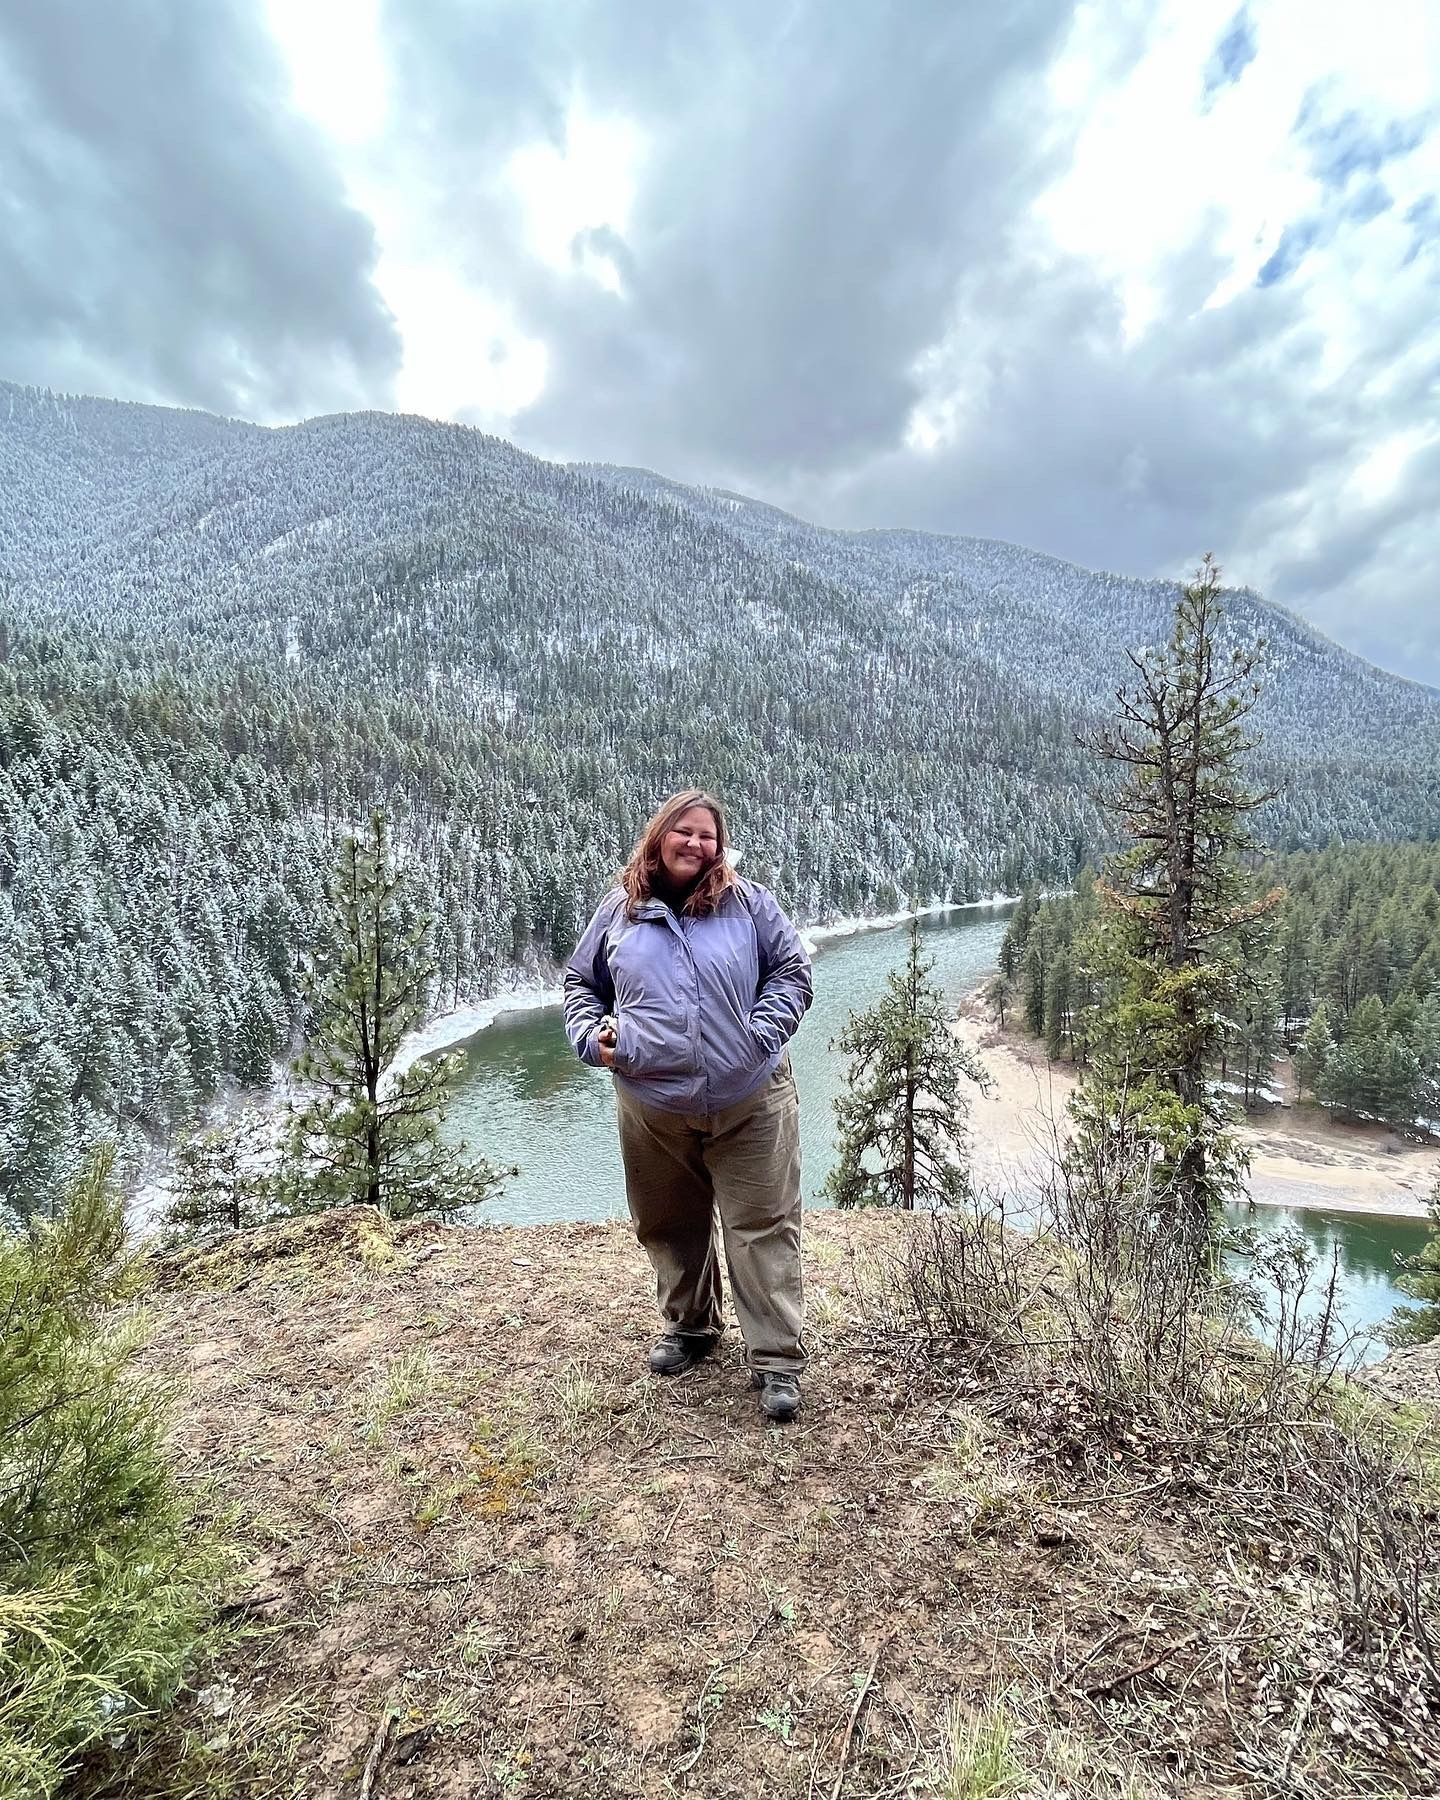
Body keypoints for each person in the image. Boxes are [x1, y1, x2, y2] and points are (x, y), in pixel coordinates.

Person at [563, 790, 814, 1422]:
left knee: (761, 1225)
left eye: (708, 835)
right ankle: (692, 1326)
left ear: (719, 844)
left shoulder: (750, 904)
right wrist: (593, 1038)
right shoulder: (621, 911)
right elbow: (580, 983)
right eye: (685, 832)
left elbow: (793, 973)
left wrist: (757, 1035)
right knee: (670, 1222)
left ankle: (776, 1359)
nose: (697, 844)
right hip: (652, 1103)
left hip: (749, 1098)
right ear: (659, 835)